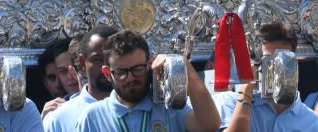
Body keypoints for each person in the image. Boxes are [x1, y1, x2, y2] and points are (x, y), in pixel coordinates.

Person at [76, 29, 220, 131]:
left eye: (137, 69)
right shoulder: (92, 117)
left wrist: (181, 64)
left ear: (150, 64)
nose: (130, 78)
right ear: (107, 73)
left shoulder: (169, 106)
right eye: (121, 72)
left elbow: (209, 125)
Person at [217, 22, 318, 131]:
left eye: (283, 59)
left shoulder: (311, 121)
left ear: (294, 62)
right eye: (268, 60)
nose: (276, 68)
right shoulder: (231, 102)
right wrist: (246, 88)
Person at [43, 25, 118, 132]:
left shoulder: (141, 109)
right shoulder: (58, 119)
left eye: (113, 58)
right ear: (83, 62)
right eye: (98, 59)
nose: (106, 66)